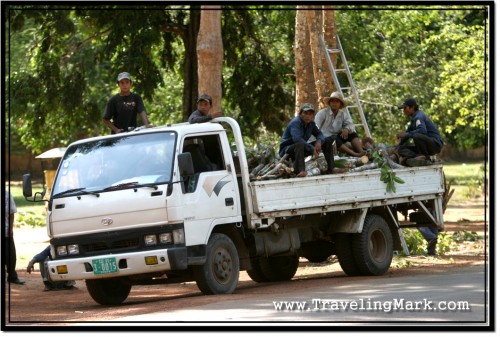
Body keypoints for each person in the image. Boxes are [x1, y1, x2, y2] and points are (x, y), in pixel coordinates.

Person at [279, 103, 333, 177]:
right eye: (305, 113)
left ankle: (331, 169)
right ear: (300, 113)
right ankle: (300, 171)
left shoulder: (311, 124)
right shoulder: (295, 123)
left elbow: (319, 134)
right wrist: (312, 148)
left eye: (310, 114)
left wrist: (319, 141)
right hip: (287, 151)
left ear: (313, 116)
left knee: (327, 141)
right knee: (299, 144)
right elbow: (297, 139)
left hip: (301, 148)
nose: (308, 116)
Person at [396, 98, 444, 167]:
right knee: (400, 149)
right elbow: (408, 133)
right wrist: (398, 145)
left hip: (435, 145)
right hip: (425, 147)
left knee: (417, 136)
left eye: (405, 108)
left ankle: (426, 158)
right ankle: (418, 156)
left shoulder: (419, 117)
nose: (404, 111)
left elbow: (422, 131)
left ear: (412, 107)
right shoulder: (414, 119)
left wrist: (406, 134)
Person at [315, 91, 365, 157]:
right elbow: (315, 129)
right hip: (324, 140)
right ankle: (355, 154)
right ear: (330, 103)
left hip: (337, 138)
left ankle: (362, 152)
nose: (334, 103)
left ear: (340, 104)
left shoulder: (342, 114)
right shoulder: (322, 113)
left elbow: (350, 124)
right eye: (332, 101)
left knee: (352, 134)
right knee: (334, 139)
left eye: (337, 101)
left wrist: (346, 128)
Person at [5, 191, 25, 285]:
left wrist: (11, 228)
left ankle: (12, 276)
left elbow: (11, 212)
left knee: (11, 255)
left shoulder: (6, 194)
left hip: (5, 230)